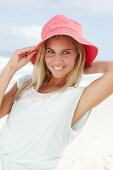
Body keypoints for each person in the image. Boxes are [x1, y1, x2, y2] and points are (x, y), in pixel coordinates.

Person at [0, 15, 113, 170]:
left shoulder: (77, 98)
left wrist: (84, 66)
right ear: (43, 54)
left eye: (66, 52)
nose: (57, 60)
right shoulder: (25, 83)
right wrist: (10, 69)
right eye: (51, 51)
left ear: (77, 55)